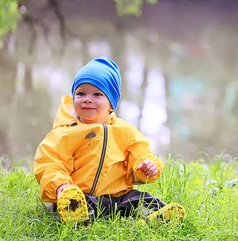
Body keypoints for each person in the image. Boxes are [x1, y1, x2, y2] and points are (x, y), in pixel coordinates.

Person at [34, 56, 185, 224]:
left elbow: (140, 154)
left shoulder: (125, 131)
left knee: (138, 199)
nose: (87, 99)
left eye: (97, 94)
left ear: (111, 104)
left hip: (117, 197)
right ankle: (76, 216)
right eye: (80, 93)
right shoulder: (64, 133)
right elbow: (51, 164)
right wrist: (61, 185)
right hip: (82, 195)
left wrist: (147, 166)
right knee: (73, 201)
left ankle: (154, 217)